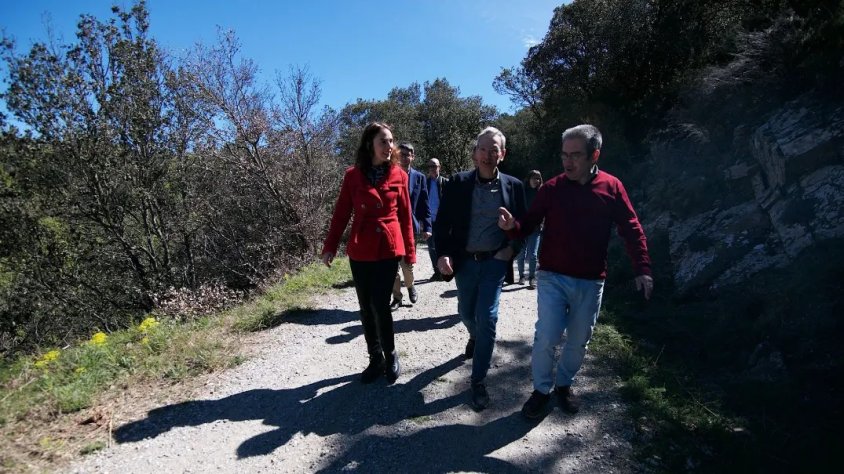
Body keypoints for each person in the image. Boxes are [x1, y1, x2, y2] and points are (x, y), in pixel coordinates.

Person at [498, 124, 653, 418]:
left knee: (579, 339)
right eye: (564, 155)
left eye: (575, 155)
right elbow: (528, 225)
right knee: (547, 334)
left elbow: (631, 229)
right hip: (552, 276)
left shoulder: (612, 187)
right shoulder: (552, 189)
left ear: (595, 154)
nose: (567, 162)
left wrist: (642, 268)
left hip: (591, 280)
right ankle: (541, 391)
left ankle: (564, 385)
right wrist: (512, 228)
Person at [434, 127, 527, 411]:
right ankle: (474, 336)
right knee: (466, 312)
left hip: (495, 262)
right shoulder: (458, 183)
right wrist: (443, 254)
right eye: (483, 149)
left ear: (503, 154)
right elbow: (441, 224)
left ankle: (478, 381)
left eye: (494, 150)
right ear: (475, 154)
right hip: (465, 262)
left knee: (487, 318)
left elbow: (524, 226)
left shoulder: (514, 186)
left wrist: (512, 245)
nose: (488, 155)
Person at [321, 122, 415, 385]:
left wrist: (410, 252)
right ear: (369, 144)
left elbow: (406, 217)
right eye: (383, 141)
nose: (389, 146)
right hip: (361, 248)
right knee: (365, 306)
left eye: (391, 141)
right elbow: (341, 213)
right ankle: (375, 359)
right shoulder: (352, 175)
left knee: (380, 305)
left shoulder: (399, 175)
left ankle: (391, 353)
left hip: (388, 246)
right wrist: (330, 246)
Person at [390, 143, 431, 311]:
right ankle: (396, 297)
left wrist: (427, 226)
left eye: (408, 155)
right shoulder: (389, 174)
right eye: (402, 154)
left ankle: (410, 285)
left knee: (407, 264)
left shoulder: (419, 177)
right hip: (391, 226)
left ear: (413, 157)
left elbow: (424, 204)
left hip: (409, 227)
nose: (405, 157)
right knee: (391, 265)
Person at [516, 170, 543, 289]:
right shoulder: (522, 191)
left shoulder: (541, 192)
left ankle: (532, 278)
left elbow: (545, 209)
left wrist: (543, 222)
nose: (536, 181)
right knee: (521, 254)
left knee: (533, 254)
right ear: (529, 179)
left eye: (538, 178)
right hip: (522, 227)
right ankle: (522, 276)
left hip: (535, 228)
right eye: (534, 178)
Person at [425, 157, 448, 281]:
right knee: (431, 248)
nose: (432, 169)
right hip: (429, 221)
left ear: (440, 167)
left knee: (444, 246)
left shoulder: (446, 182)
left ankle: (446, 271)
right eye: (430, 166)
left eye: (434, 166)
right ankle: (437, 272)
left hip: (442, 221)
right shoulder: (425, 183)